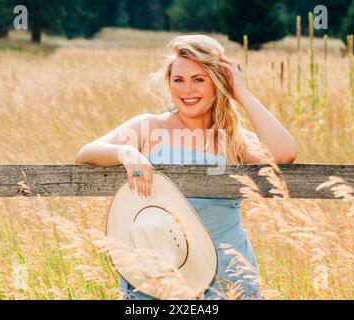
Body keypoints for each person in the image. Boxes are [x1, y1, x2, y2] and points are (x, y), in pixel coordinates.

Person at [75, 35, 297, 300]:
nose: (187, 90)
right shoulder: (150, 128)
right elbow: (86, 153)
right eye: (178, 80)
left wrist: (242, 94)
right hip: (158, 270)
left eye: (199, 79)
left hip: (226, 274)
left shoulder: (232, 139)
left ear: (218, 83)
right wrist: (125, 152)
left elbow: (284, 153)